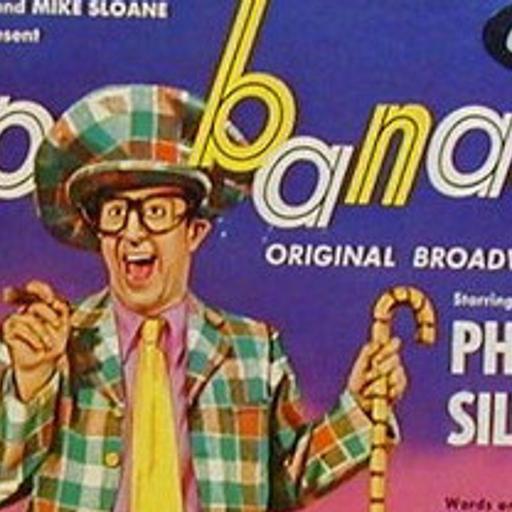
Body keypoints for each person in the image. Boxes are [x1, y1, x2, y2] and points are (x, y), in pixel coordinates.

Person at [0, 84, 407, 511]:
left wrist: (362, 408)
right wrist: (31, 381)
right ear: (98, 233)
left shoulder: (254, 349)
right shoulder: (48, 342)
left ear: (194, 232)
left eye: (155, 212)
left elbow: (285, 482)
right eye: (116, 213)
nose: (133, 232)